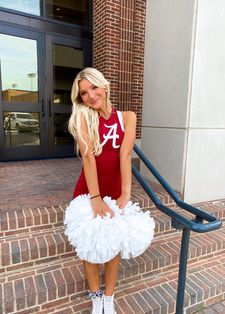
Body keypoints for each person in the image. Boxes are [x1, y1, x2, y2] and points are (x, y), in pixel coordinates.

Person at [65, 67, 154, 314]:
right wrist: (95, 199)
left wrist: (126, 192)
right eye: (84, 93)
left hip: (114, 190)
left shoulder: (127, 117)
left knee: (113, 246)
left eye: (94, 87)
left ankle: (109, 298)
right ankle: (95, 299)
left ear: (104, 86)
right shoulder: (83, 117)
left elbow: (125, 156)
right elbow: (88, 159)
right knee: (90, 246)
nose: (91, 96)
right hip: (89, 191)